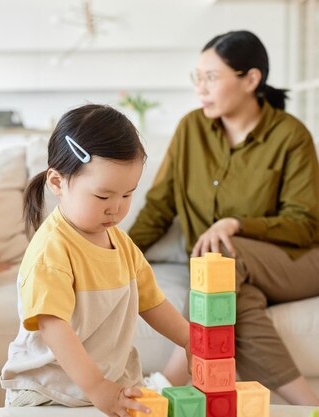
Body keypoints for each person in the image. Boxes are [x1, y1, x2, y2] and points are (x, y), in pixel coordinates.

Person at [129, 30, 319, 406]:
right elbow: (159, 205)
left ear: (250, 79)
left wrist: (237, 224)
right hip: (224, 272)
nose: (201, 88)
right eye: (197, 77)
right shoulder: (190, 130)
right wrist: (121, 253)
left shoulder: (290, 136)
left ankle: (171, 377)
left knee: (222, 259)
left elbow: (305, 224)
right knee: (233, 302)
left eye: (211, 77)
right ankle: (309, 405)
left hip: (295, 262)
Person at [0, 104, 191, 416]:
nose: (115, 208)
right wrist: (97, 386)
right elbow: (53, 326)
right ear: (57, 182)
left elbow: (152, 302)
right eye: (103, 196)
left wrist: (189, 340)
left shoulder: (122, 244)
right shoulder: (52, 249)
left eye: (127, 194)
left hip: (104, 387)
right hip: (48, 394)